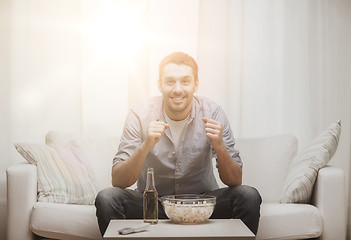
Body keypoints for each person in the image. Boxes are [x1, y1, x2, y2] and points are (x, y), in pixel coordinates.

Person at [95, 52, 261, 236]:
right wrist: (146, 146)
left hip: (202, 204)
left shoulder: (213, 112)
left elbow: (235, 180)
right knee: (107, 198)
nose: (177, 89)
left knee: (248, 195)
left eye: (185, 81)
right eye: (170, 81)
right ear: (160, 84)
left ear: (195, 84)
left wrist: (220, 146)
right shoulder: (139, 115)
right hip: (152, 204)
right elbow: (118, 181)